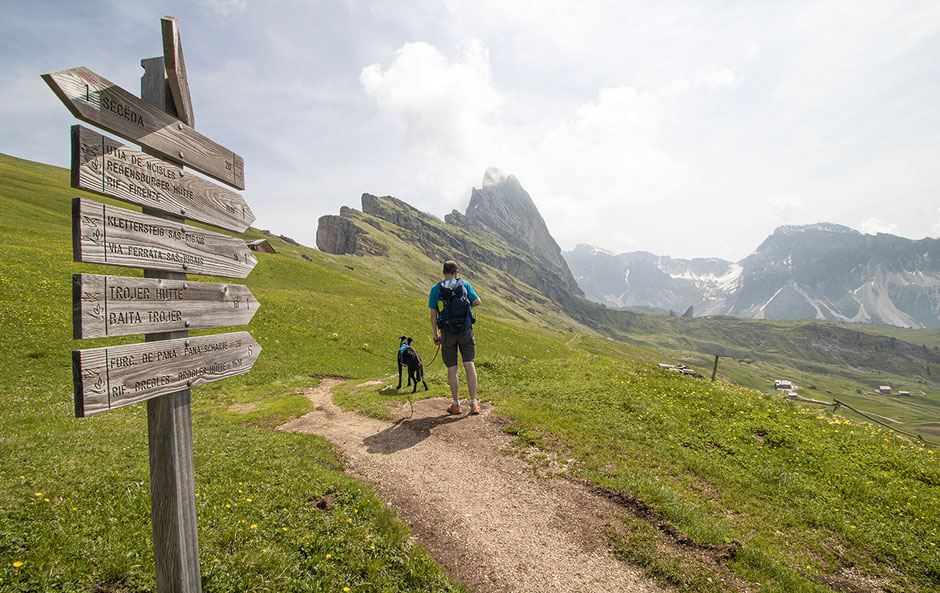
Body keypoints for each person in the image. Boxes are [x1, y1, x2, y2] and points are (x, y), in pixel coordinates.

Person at [429, 260, 481, 415]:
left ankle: (457, 405)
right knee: (469, 364)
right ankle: (473, 404)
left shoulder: (436, 289)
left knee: (452, 368)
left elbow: (433, 314)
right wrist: (466, 304)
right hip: (465, 330)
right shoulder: (464, 284)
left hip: (447, 332)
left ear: (444, 272)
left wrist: (435, 334)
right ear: (456, 272)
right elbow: (477, 302)